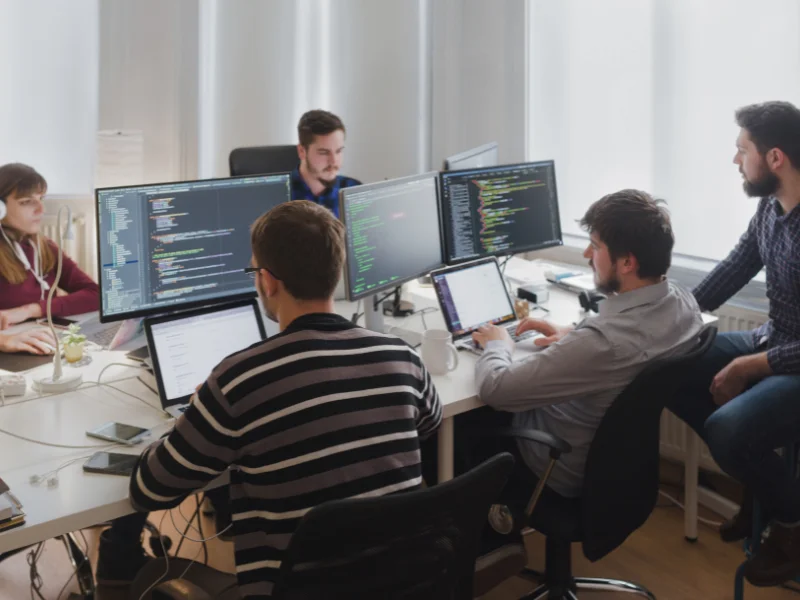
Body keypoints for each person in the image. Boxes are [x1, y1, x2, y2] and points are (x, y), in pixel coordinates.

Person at [96, 201, 442, 596]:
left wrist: (195, 417)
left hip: (293, 589)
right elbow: (429, 425)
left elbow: (149, 489)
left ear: (268, 281)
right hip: (401, 581)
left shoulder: (238, 380)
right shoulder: (402, 356)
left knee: (151, 578)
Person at [458, 189, 703, 546]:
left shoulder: (602, 343)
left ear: (627, 263)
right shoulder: (683, 303)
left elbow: (496, 389)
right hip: (618, 472)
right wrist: (571, 334)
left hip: (557, 467)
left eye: (596, 246)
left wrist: (498, 342)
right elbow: (629, 344)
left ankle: (487, 547)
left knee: (457, 422)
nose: (587, 255)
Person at [667, 101, 800, 588]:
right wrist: (670, 320)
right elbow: (736, 265)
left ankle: (789, 525)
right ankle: (759, 492)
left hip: (794, 363)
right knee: (666, 368)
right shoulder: (772, 206)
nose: (734, 159)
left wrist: (749, 366)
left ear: (776, 158)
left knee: (727, 431)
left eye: (742, 150)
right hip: (776, 343)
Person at [0, 163, 98, 355]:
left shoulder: (44, 247)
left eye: (41, 199)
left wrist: (31, 310)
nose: (41, 209)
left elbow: (95, 294)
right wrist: (4, 341)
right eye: (26, 201)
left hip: (41, 341)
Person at [290, 109, 361, 217]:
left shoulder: (354, 190)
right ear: (302, 151)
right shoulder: (281, 195)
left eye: (338, 151)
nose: (333, 161)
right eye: (324, 152)